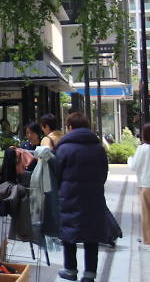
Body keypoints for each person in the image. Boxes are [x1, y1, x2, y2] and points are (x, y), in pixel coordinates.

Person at [56, 112, 117, 282]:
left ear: (69, 127)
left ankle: (70, 269)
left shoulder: (64, 148)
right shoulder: (98, 147)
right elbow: (104, 172)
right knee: (92, 233)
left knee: (69, 232)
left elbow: (57, 173)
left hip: (69, 196)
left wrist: (61, 189)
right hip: (93, 196)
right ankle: (90, 273)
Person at [129, 123, 150, 245]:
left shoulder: (142, 149)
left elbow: (134, 166)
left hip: (145, 185)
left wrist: (129, 159)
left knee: (146, 213)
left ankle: (147, 239)